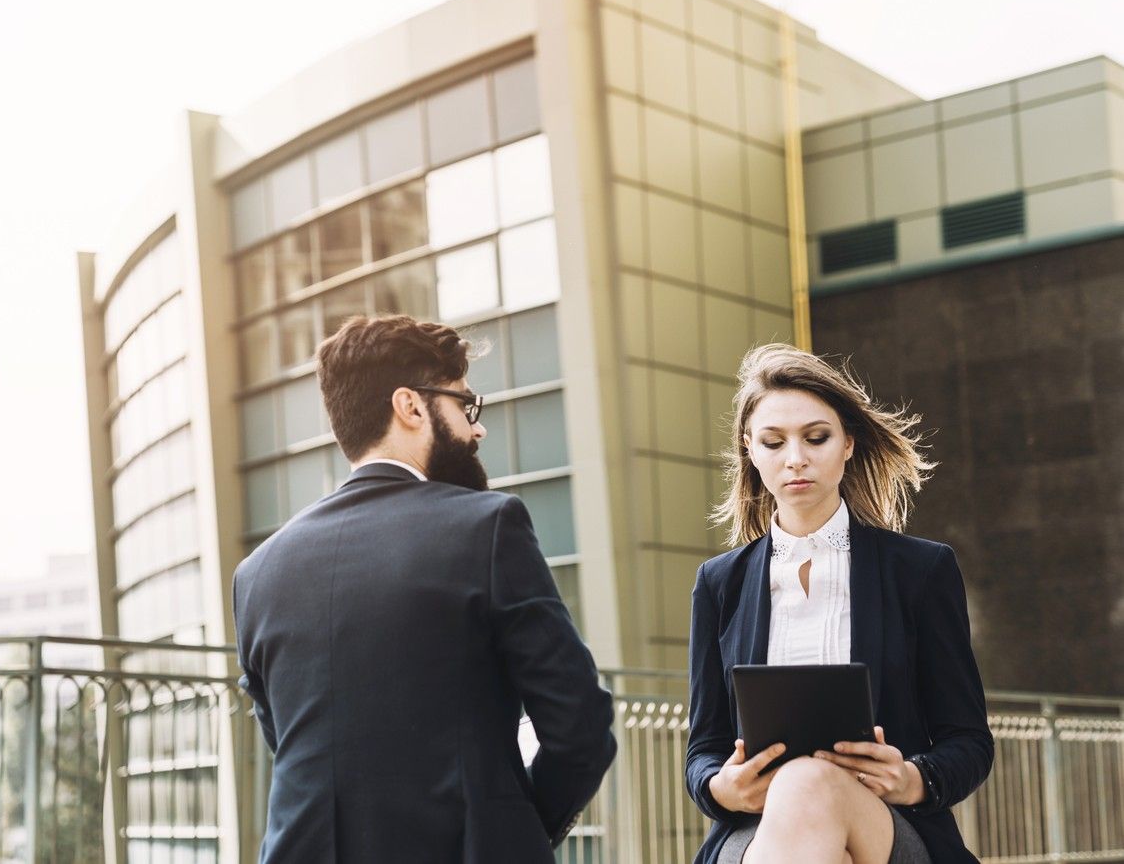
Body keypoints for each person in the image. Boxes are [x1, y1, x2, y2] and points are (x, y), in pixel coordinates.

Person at [232, 314, 616, 864]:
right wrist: (521, 826)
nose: (476, 428)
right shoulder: (488, 525)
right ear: (411, 406)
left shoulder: (257, 573)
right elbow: (579, 725)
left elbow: (291, 741)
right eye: (465, 405)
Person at [685, 344, 993, 864]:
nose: (796, 458)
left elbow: (968, 741)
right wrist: (721, 789)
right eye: (773, 442)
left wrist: (913, 778)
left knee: (809, 782)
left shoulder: (920, 571)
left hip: (890, 826)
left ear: (848, 442)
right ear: (750, 450)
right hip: (757, 832)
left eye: (816, 437)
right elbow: (703, 749)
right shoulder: (720, 584)